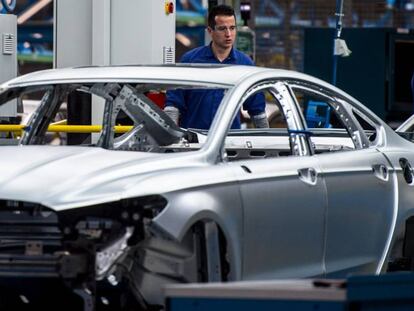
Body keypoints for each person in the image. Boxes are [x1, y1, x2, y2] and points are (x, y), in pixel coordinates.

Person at [164, 4, 268, 130]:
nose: (229, 34)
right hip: (196, 141)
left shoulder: (245, 64)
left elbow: (257, 111)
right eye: (222, 28)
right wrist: (171, 142)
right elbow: (173, 105)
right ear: (210, 31)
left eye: (232, 28)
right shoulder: (190, 61)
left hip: (230, 141)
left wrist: (265, 143)